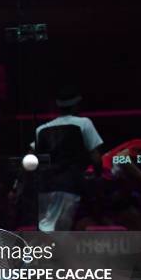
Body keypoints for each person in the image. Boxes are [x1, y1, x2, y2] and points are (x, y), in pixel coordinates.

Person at [35, 86, 103, 231]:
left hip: (45, 188)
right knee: (58, 233)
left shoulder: (41, 129)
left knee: (49, 227)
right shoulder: (83, 123)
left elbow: (32, 157)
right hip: (69, 186)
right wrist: (98, 176)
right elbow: (96, 157)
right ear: (76, 105)